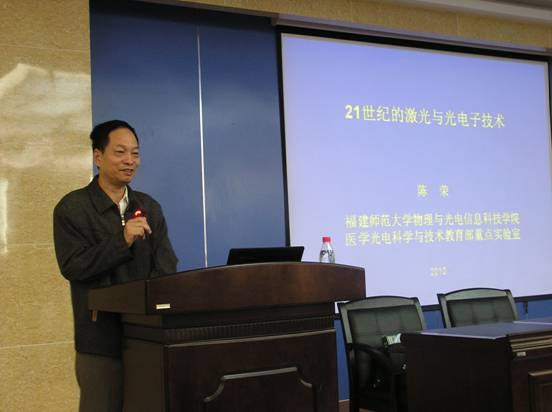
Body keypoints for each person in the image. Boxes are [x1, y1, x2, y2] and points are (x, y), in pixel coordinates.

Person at [53, 120, 177, 412]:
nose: (130, 161)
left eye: (135, 153)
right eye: (120, 152)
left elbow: (166, 266)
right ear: (98, 157)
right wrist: (122, 240)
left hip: (146, 340)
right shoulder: (73, 208)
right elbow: (74, 266)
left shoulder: (149, 207)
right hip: (100, 343)